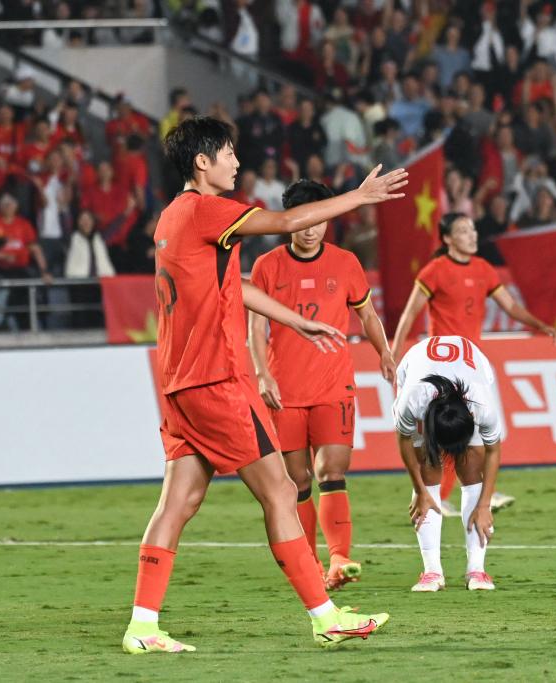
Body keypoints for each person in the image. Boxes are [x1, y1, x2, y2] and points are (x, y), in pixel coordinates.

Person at [121, 116, 407, 654]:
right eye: (228, 153)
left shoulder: (173, 217)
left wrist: (294, 320)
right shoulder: (207, 209)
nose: (236, 162)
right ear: (202, 162)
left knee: (178, 502)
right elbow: (288, 221)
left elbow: (232, 286)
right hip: (218, 381)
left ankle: (142, 626)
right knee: (279, 490)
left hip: (180, 383)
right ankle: (326, 616)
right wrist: (359, 196)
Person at [248, 179, 396, 591]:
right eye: (304, 220)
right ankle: (311, 564)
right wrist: (262, 373)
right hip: (286, 391)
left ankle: (340, 557)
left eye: (320, 220)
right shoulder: (267, 266)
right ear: (290, 220)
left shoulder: (346, 263)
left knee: (331, 469)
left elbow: (368, 315)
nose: (311, 229)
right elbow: (256, 327)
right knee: (296, 481)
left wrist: (384, 352)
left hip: (334, 386)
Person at [390, 212, 556, 516]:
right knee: (450, 432)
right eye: (463, 230)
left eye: (472, 229)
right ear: (447, 238)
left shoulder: (483, 269)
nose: (472, 235)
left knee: (472, 431)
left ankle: (466, 492)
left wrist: (539, 325)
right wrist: (393, 352)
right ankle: (445, 493)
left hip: (471, 364)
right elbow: (410, 312)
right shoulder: (435, 270)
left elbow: (510, 305)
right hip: (441, 366)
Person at [394, 335, 501, 592]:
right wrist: (419, 489)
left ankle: (477, 570)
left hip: (473, 366)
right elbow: (404, 439)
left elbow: (493, 451)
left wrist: (484, 504)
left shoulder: (482, 404)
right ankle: (432, 572)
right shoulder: (412, 401)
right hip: (415, 366)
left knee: (471, 465)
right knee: (428, 467)